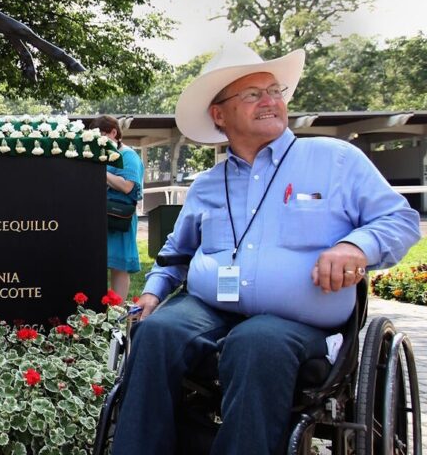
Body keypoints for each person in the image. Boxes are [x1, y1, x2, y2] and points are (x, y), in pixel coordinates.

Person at [111, 44, 421, 455]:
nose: (271, 101)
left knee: (255, 342)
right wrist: (152, 292)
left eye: (275, 91)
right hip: (209, 308)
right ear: (219, 115)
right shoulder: (207, 184)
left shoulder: (336, 160)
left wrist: (356, 245)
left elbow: (400, 219)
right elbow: (176, 252)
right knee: (156, 334)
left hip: (296, 320)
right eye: (253, 94)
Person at [89, 115, 143, 300]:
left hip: (119, 219)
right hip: (100, 216)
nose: (99, 140)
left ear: (114, 132)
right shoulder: (102, 154)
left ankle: (116, 313)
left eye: (102, 135)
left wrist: (99, 171)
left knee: (119, 267)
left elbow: (128, 186)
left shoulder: (128, 155)